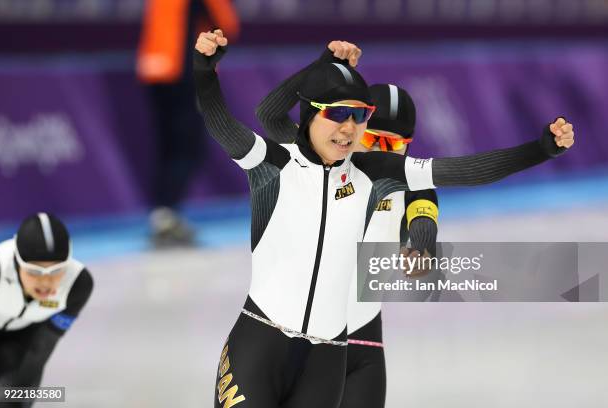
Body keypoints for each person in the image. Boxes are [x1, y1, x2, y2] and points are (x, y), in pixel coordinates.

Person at [193, 30, 574, 408]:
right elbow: (225, 119)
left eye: (360, 117)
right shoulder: (274, 162)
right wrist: (205, 72)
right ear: (311, 114)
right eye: (340, 115)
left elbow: (460, 173)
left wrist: (539, 150)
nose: (350, 130)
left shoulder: (378, 173)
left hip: (331, 355)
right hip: (261, 344)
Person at [256, 42, 438, 407]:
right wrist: (322, 66)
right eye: (373, 139)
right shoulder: (315, 156)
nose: (382, 152)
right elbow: (268, 116)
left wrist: (422, 244)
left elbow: (423, 211)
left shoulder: (408, 179)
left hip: (362, 340)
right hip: (295, 339)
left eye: (395, 143)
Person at [137, 0, 239, 246]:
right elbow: (226, 25)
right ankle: (166, 215)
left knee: (168, 146)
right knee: (188, 146)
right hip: (181, 71)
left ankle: (162, 215)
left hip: (153, 69)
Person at [0, 213, 93, 407]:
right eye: (34, 272)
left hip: (23, 340)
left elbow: (40, 348)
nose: (46, 282)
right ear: (16, 262)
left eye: (57, 271)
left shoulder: (78, 284)